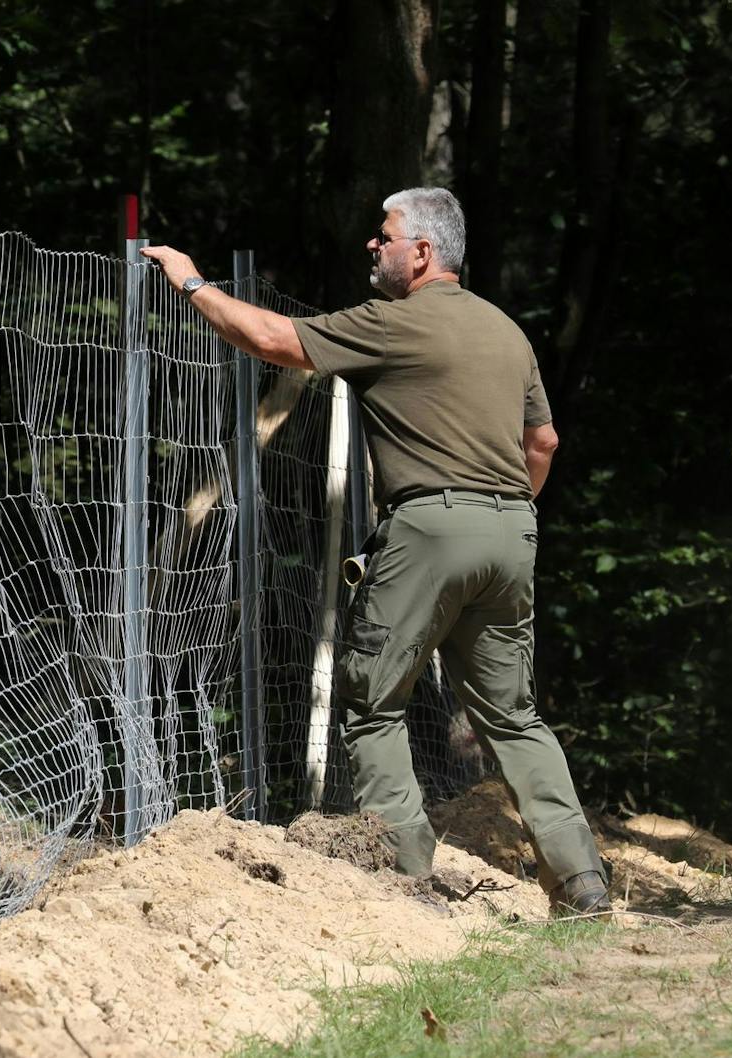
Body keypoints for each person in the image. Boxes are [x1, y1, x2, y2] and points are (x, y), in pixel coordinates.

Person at [138, 187, 611, 915]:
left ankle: (405, 874)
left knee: (373, 699)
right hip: (513, 530)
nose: (372, 244)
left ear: (421, 252)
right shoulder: (507, 331)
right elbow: (542, 443)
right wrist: (504, 511)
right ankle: (580, 880)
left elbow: (271, 339)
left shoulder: (393, 323)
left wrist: (193, 282)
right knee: (513, 715)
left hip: (428, 529)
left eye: (383, 235)